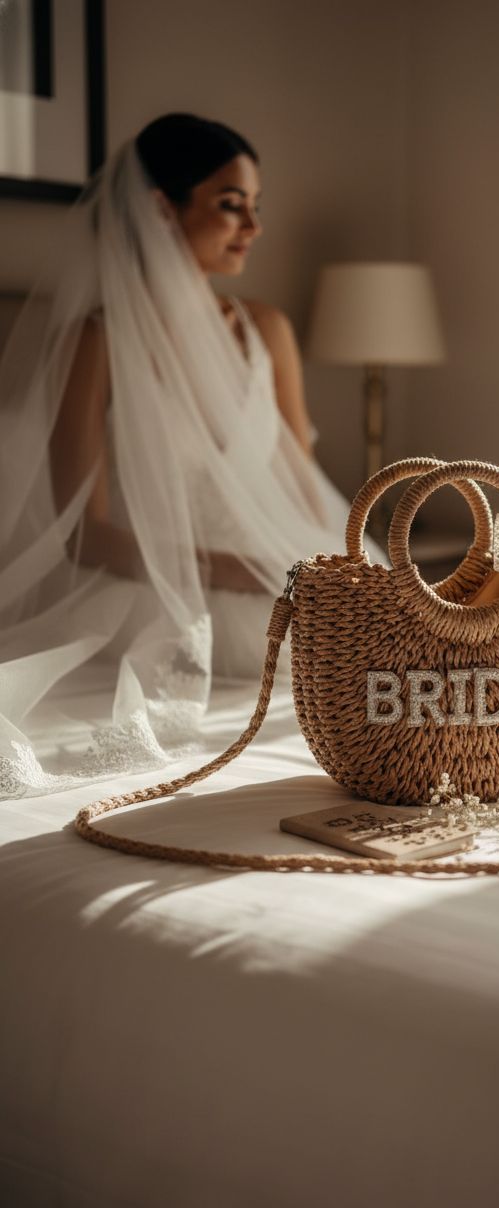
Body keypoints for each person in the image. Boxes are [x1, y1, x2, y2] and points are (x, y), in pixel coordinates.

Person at [0, 113, 378, 798]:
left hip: (273, 563)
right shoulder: (99, 341)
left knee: (389, 624)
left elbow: (302, 485)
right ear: (160, 209)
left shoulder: (266, 328)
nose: (253, 228)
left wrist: (332, 563)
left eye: (256, 208)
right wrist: (231, 569)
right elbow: (85, 536)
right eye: (231, 205)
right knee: (313, 648)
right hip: (161, 582)